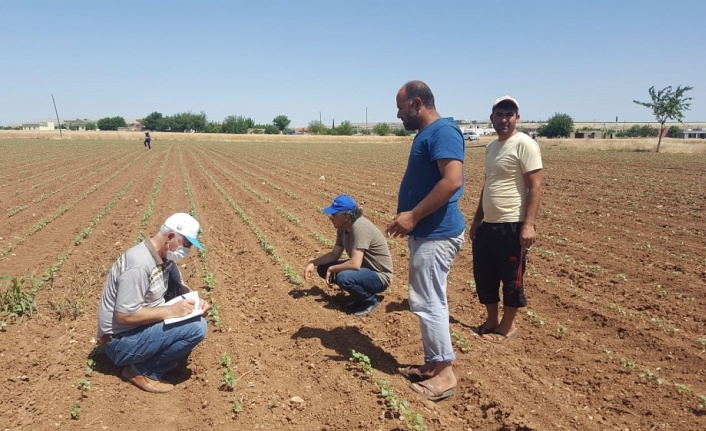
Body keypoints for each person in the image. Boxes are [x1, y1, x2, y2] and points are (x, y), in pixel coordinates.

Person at [386, 80, 465, 402]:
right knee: (429, 299)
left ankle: (445, 373)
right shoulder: (428, 134)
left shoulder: (443, 132)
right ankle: (434, 363)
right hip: (428, 233)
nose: (399, 115)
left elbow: (452, 181)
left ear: (416, 103)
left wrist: (413, 215)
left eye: (401, 108)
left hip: (436, 233)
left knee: (428, 301)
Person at [97, 212, 210, 393]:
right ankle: (141, 370)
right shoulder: (139, 265)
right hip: (119, 342)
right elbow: (124, 316)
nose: (187, 251)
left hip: (136, 331)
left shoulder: (165, 257)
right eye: (186, 245)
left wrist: (197, 302)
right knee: (198, 327)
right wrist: (171, 311)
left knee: (186, 307)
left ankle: (156, 354)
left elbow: (181, 286)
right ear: (171, 237)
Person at [470, 96, 543, 344]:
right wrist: (477, 219)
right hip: (489, 225)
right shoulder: (491, 147)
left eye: (509, 115)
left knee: (512, 278)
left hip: (512, 224)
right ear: (491, 118)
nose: (504, 119)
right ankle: (491, 320)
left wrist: (529, 224)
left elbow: (536, 186)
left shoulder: (525, 144)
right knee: (485, 275)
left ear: (517, 118)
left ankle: (507, 327)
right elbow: (488, 184)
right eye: (499, 114)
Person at [304, 194, 393, 317]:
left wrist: (332, 268)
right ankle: (358, 297)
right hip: (364, 269)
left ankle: (371, 300)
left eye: (334, 214)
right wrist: (313, 262)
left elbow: (355, 264)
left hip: (379, 275)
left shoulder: (360, 227)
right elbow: (334, 254)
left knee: (343, 277)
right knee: (323, 267)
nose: (331, 217)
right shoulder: (342, 228)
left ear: (346, 216)